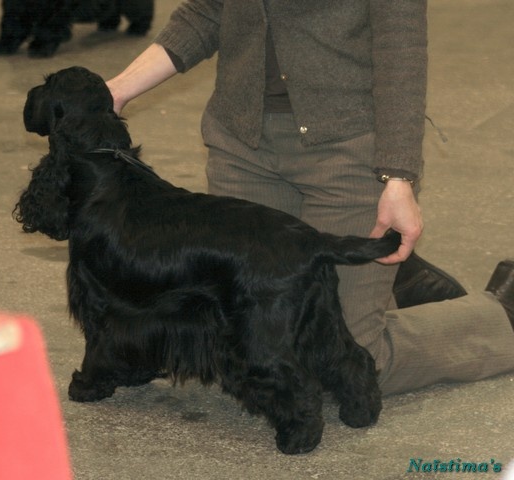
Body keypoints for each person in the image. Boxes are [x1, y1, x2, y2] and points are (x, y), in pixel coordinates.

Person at [102, 1, 514, 395]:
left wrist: (398, 176)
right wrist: (115, 91)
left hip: (348, 149)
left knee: (343, 365)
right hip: (243, 146)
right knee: (254, 350)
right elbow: (210, 8)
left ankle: (501, 314)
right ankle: (380, 283)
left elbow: (400, 49)